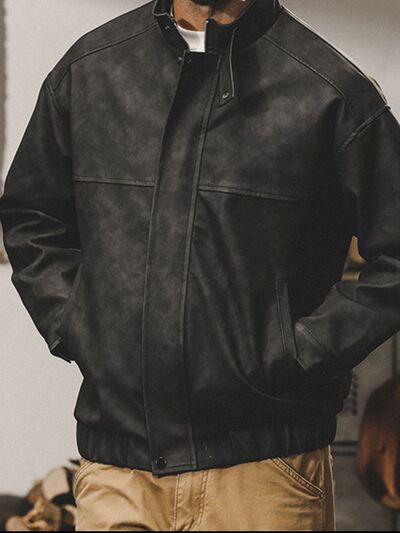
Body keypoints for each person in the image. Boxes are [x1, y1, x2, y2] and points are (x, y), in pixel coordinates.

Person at [1, 0, 400, 530]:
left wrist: (300, 351)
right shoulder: (89, 70)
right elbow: (31, 217)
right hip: (118, 473)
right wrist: (77, 324)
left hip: (265, 472)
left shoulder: (330, 88)